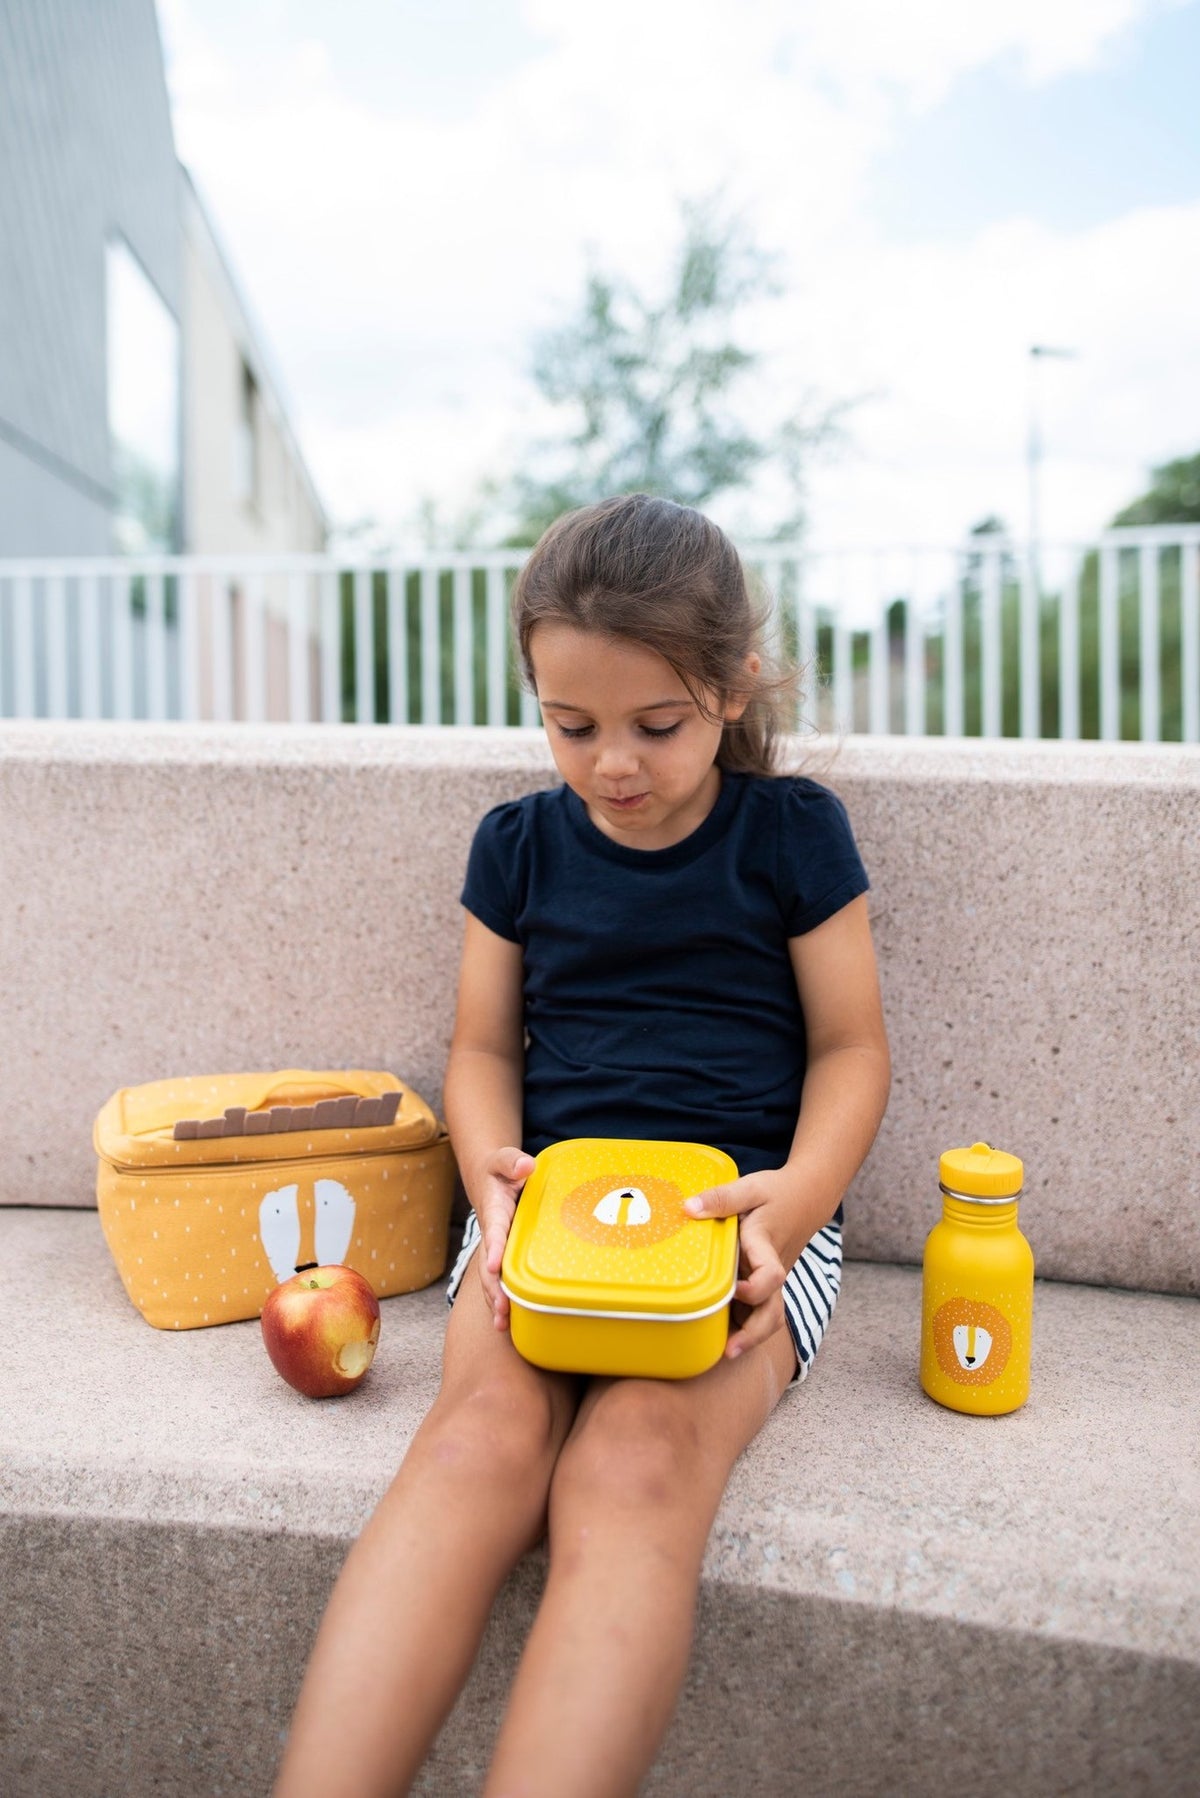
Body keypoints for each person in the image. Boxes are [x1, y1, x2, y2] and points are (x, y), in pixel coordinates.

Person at [273, 493, 891, 1798]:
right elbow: (484, 1050)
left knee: (636, 1461)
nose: (613, 761)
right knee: (475, 1441)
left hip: (745, 1227)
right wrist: (491, 1181)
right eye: (573, 725)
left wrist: (794, 1209)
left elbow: (851, 1050)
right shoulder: (516, 846)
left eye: (655, 725)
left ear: (730, 689)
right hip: (538, 1218)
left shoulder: (794, 835)